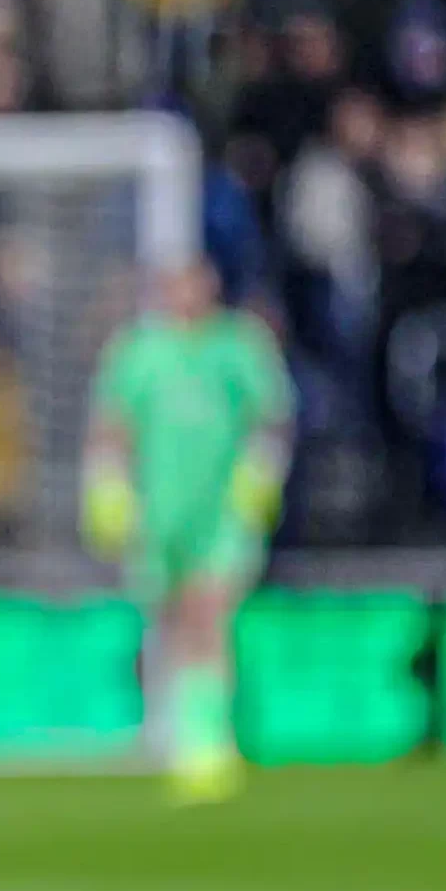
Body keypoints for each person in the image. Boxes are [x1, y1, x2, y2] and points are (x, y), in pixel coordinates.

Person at [82, 259, 293, 803]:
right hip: (158, 512)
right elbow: (112, 426)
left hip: (221, 509)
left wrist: (260, 471)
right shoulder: (137, 352)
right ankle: (181, 728)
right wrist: (108, 487)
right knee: (172, 619)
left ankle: (209, 741)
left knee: (208, 609)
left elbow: (272, 417)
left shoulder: (239, 346)